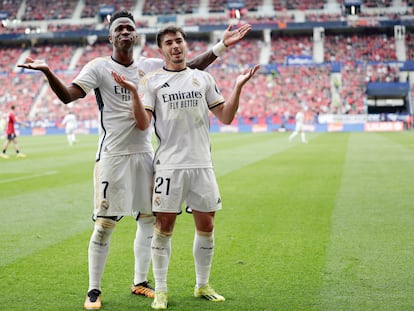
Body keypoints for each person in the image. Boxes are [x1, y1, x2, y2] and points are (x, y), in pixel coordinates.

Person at [17, 10, 252, 310]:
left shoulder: (151, 67)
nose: (125, 32)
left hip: (144, 154)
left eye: (130, 28)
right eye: (120, 29)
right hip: (112, 155)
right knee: (104, 223)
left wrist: (221, 46)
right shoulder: (98, 67)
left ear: (136, 35)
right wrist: (49, 71)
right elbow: (68, 96)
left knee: (148, 220)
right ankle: (93, 290)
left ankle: (140, 281)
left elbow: (188, 69)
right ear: (111, 36)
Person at [112, 25, 260, 310]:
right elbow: (144, 124)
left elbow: (226, 116)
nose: (175, 46)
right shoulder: (151, 82)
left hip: (202, 164)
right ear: (161, 49)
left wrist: (238, 87)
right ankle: (163, 290)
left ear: (185, 43)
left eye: (179, 40)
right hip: (169, 166)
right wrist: (133, 92)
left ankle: (202, 284)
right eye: (169, 43)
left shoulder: (203, 78)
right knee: (163, 226)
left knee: (207, 226)